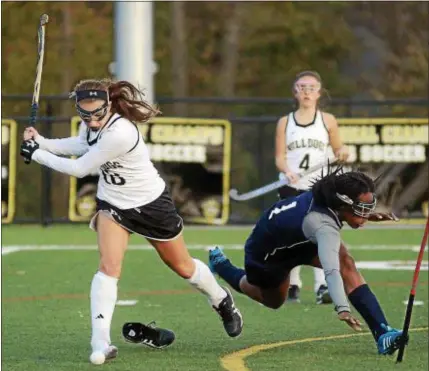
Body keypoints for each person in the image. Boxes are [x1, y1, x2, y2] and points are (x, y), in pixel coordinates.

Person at [20, 79, 243, 365]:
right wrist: (41, 141)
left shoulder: (121, 132)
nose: (91, 120)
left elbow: (79, 167)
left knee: (183, 266)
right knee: (108, 266)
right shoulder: (89, 127)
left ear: (109, 105)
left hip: (150, 204)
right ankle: (100, 341)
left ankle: (221, 300)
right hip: (113, 204)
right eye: (85, 114)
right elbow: (77, 144)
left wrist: (37, 154)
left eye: (97, 113)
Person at [209, 167, 406, 355]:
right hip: (268, 255)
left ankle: (382, 333)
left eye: (368, 207)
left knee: (346, 263)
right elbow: (331, 271)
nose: (366, 212)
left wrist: (365, 216)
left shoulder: (330, 197)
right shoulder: (322, 224)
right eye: (362, 208)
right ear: (343, 204)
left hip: (299, 239)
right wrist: (342, 308)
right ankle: (222, 266)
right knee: (273, 300)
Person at [274, 70, 350, 304]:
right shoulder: (285, 122)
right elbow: (279, 157)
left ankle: (322, 286)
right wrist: (287, 171)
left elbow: (339, 150)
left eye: (311, 88)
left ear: (318, 92)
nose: (306, 92)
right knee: (290, 235)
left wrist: (343, 152)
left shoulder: (327, 121)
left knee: (322, 235)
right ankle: (293, 284)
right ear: (295, 91)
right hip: (292, 187)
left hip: (319, 187)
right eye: (302, 87)